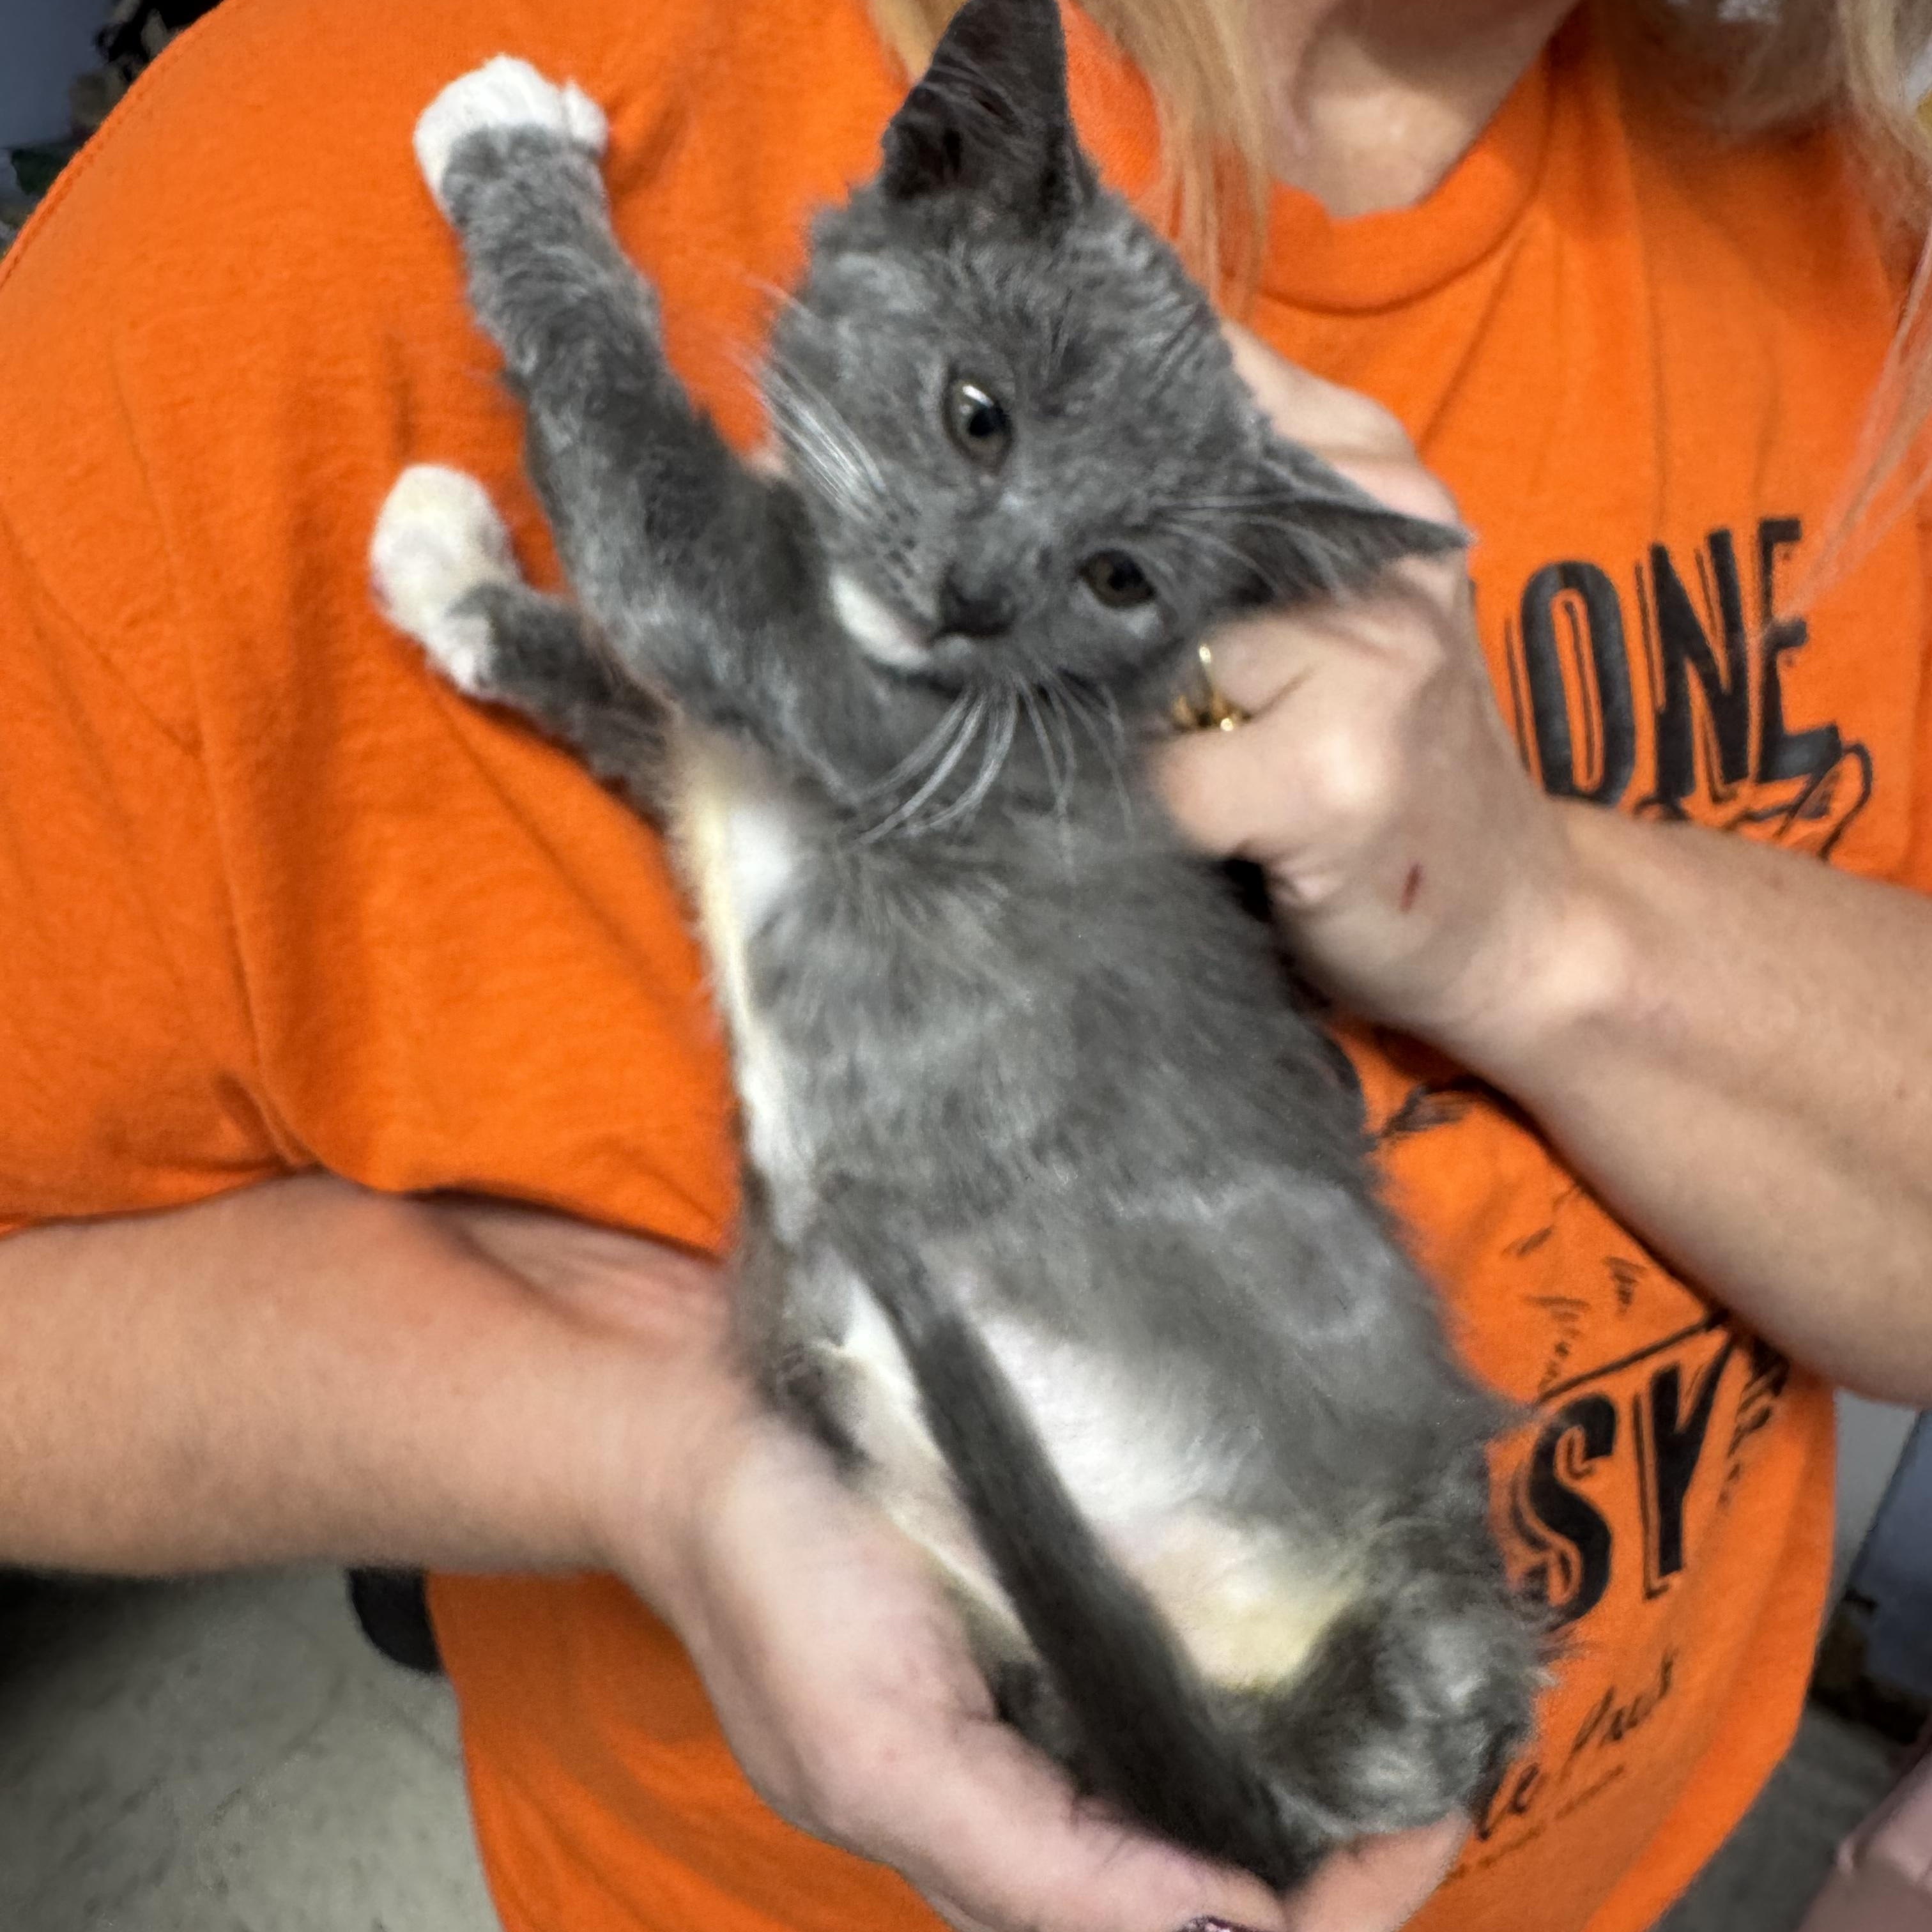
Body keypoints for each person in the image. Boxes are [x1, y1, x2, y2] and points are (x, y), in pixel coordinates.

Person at [0, 0, 1928, 1929]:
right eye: (982, 428)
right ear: (933, 148)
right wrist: (646, 1464)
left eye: (1104, 581)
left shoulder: (1862, 218)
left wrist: (1534, 919)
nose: (985, 584)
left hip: (1609, 1833)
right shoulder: (304, 170)